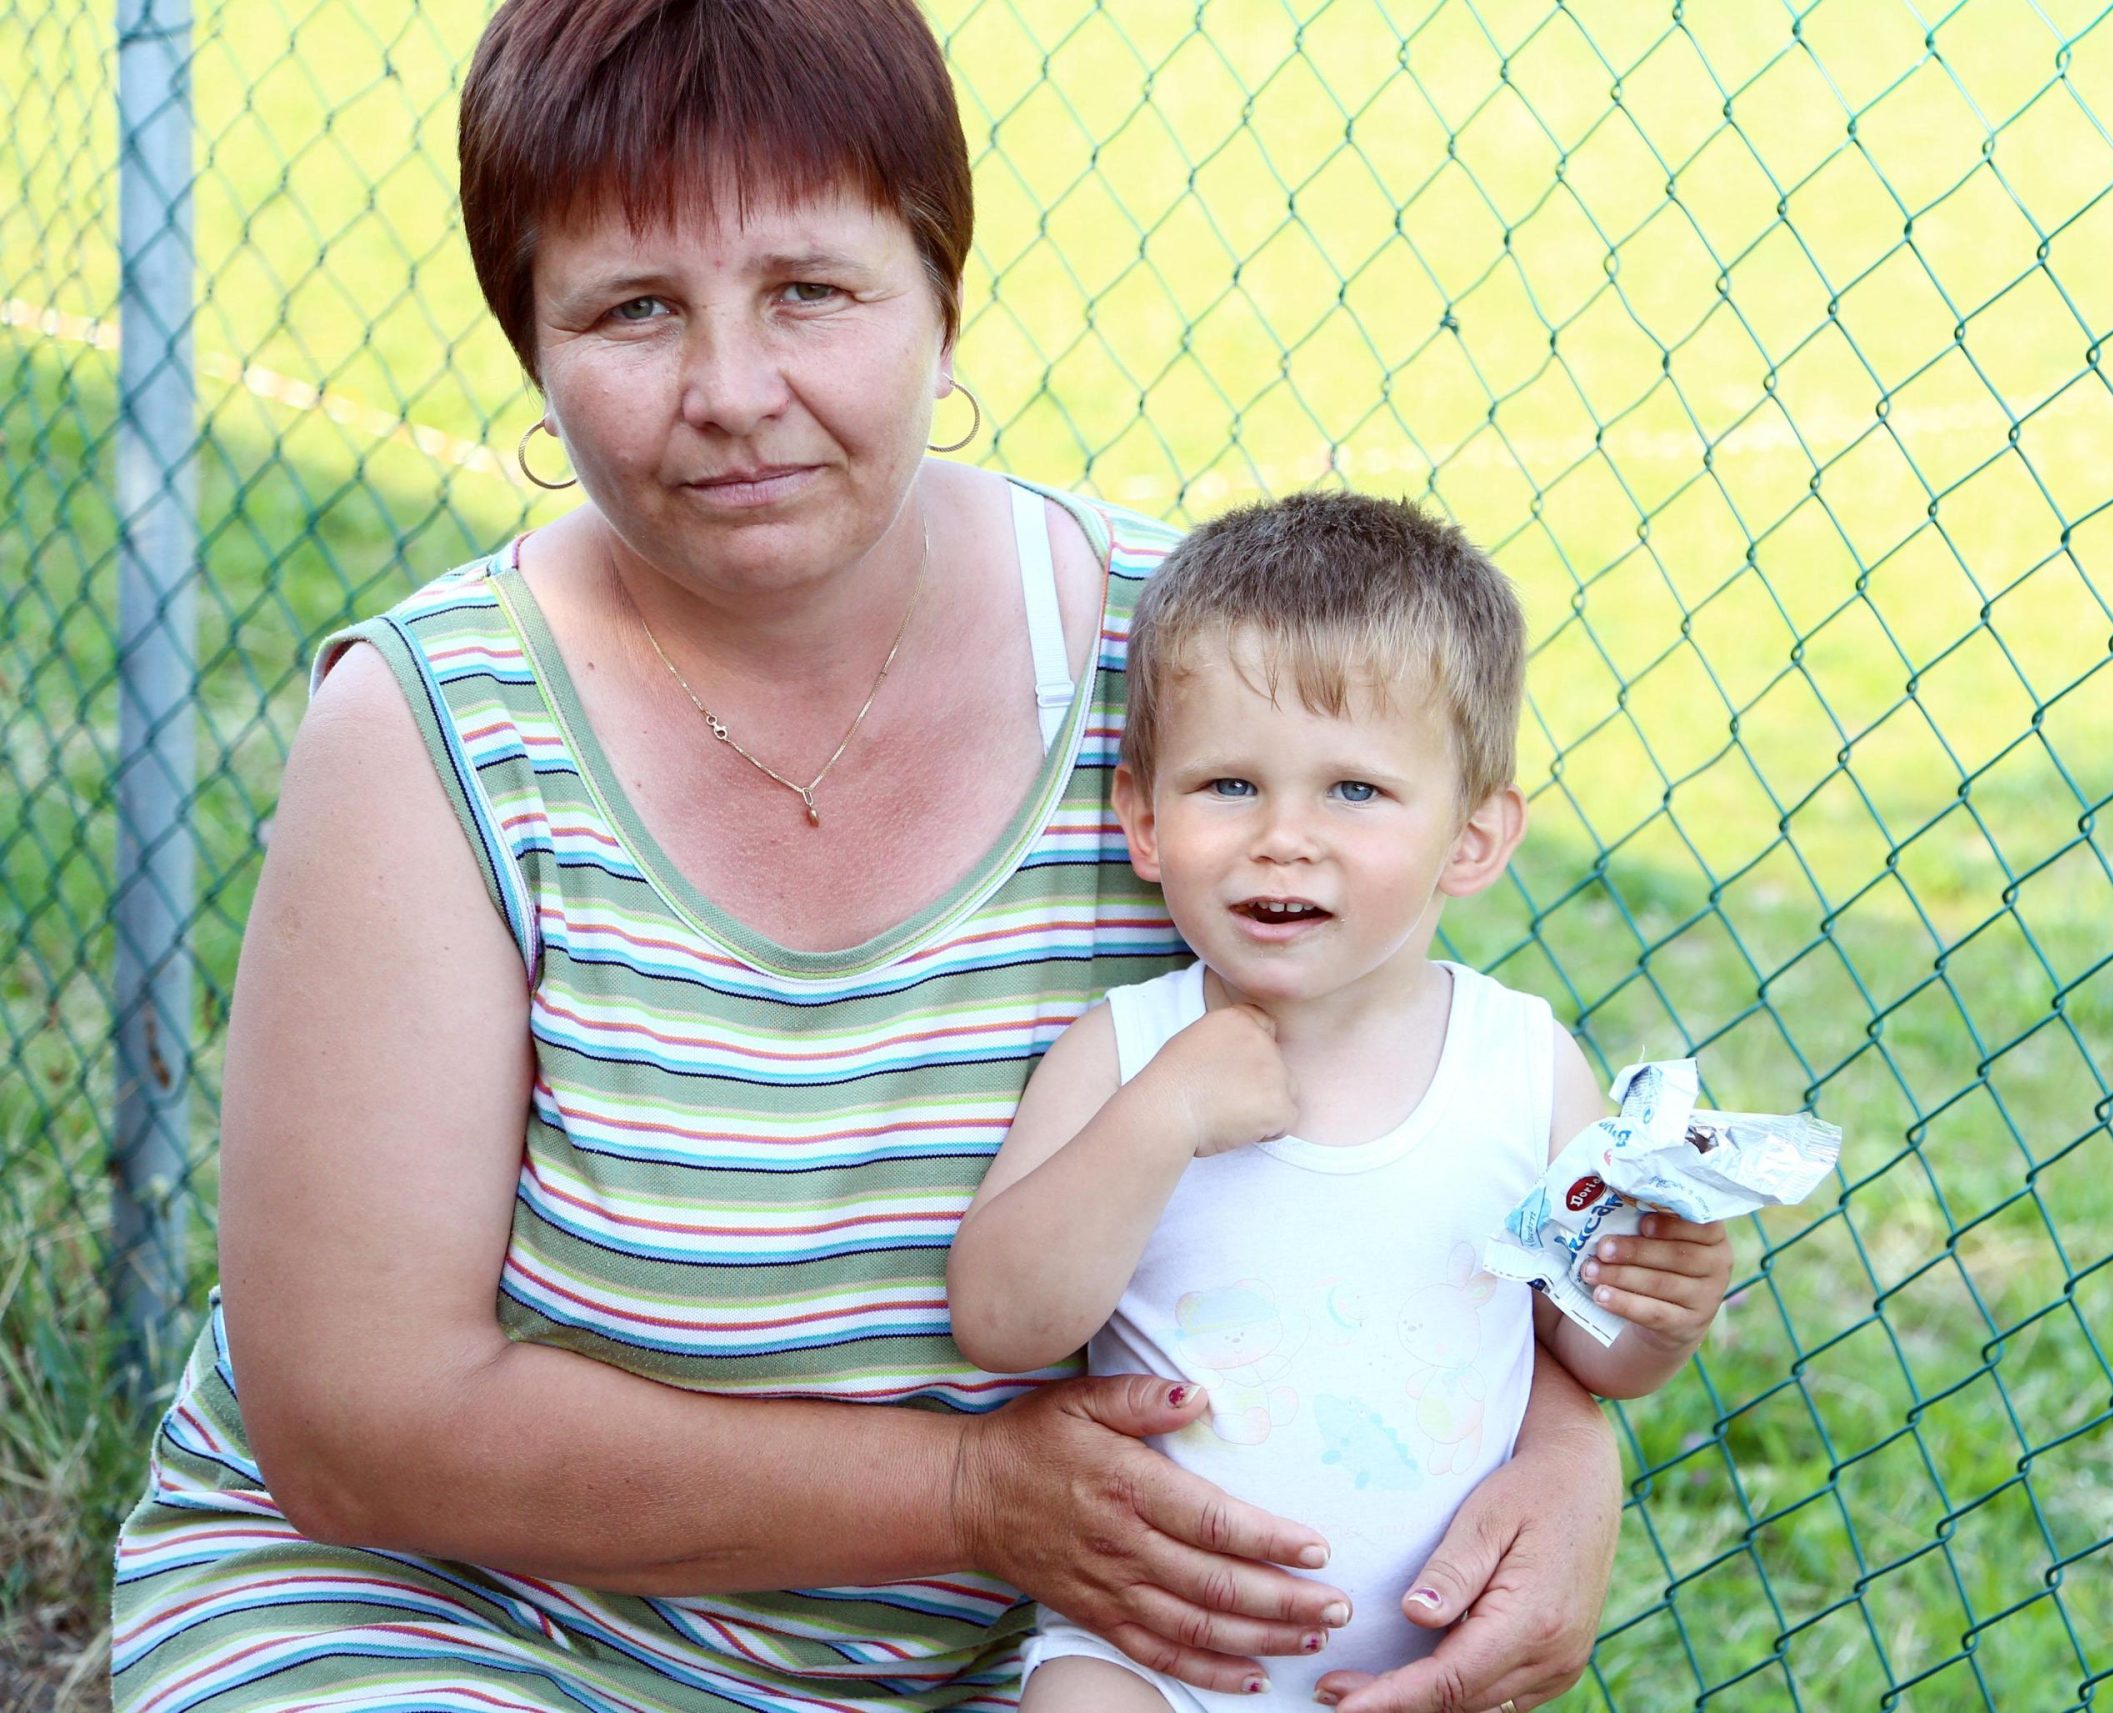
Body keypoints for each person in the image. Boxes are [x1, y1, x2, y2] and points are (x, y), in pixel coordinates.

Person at [106, 0, 1630, 1708]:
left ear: (945, 298)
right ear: (530, 348)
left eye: (810, 291)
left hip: (1054, 1661)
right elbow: (361, 1430)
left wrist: (1570, 1452)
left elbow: (1432, 1129)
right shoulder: (436, 733)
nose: (733, 393)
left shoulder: (1203, 674)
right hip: (465, 1620)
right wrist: (972, 1497)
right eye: (631, 309)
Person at [948, 494, 1735, 1712]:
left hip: (1417, 1667)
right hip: (1149, 1662)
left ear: (1471, 841)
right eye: (1227, 786)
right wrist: (1158, 1121)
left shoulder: (1520, 1067)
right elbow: (1000, 1318)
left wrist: (1663, 1315)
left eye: (1355, 793)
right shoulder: (1128, 1050)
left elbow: (1586, 1354)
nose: (1283, 839)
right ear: (1145, 822)